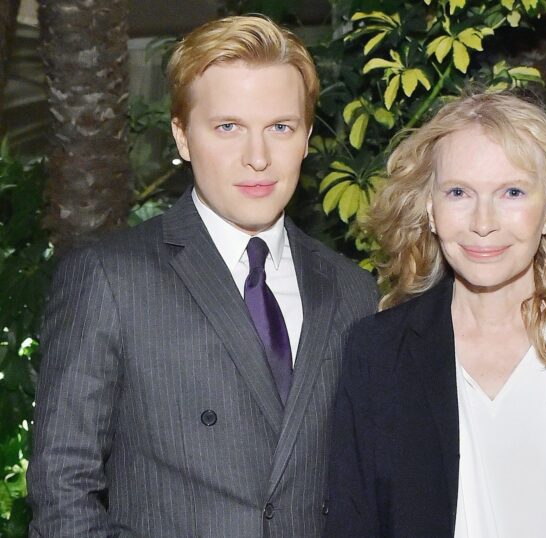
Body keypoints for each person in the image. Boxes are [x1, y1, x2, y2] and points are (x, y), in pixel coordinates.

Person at [27, 15, 378, 538]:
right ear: (183, 136)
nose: (257, 158)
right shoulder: (111, 279)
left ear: (306, 138)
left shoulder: (352, 290)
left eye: (280, 128)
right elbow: (62, 491)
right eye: (228, 127)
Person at [324, 92, 546, 538]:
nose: (483, 222)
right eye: (458, 193)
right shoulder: (379, 354)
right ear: (430, 210)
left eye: (512, 192)